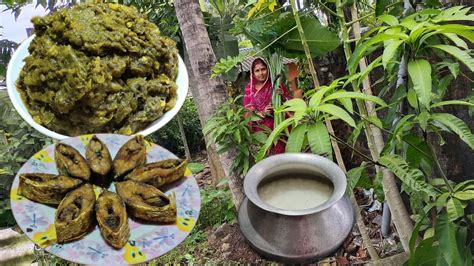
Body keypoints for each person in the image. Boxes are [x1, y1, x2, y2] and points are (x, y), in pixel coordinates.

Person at [243, 57, 302, 154]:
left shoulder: (277, 84)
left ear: (268, 69)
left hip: (280, 126)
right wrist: (263, 113)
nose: (261, 73)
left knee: (286, 153)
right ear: (253, 73)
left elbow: (291, 104)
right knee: (268, 156)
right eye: (257, 71)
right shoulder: (249, 89)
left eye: (263, 69)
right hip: (262, 130)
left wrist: (282, 96)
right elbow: (248, 112)